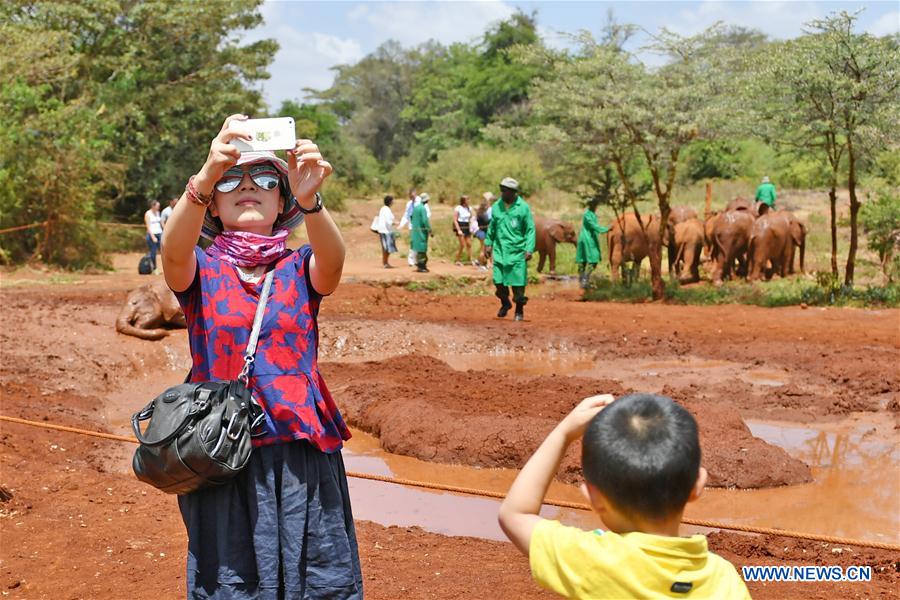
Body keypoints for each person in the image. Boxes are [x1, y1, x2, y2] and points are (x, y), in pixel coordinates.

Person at [160, 114, 362, 599]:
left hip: (298, 455)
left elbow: (333, 264)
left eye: (265, 178)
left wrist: (313, 201)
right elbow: (171, 252)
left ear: (281, 199)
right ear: (214, 203)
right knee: (232, 583)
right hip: (222, 455)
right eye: (232, 178)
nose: (248, 186)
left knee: (313, 578)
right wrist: (205, 175)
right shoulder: (199, 269)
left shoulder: (300, 267)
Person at [499, 393, 751, 599]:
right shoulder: (725, 581)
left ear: (594, 498)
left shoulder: (593, 560)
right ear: (697, 485)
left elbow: (515, 514)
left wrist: (563, 434)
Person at [484, 177, 535, 321]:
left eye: (505, 191)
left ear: (513, 192)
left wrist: (529, 249)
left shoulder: (523, 208)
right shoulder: (496, 207)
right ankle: (505, 302)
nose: (502, 193)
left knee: (518, 285)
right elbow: (492, 227)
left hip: (517, 252)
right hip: (500, 251)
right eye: (501, 190)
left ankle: (519, 311)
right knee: (498, 281)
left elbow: (530, 229)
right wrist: (488, 243)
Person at [575, 198, 610, 289]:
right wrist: (605, 229)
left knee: (584, 259)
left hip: (588, 236)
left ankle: (582, 280)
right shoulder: (588, 214)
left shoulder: (591, 214)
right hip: (587, 238)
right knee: (592, 259)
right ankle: (584, 280)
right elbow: (593, 225)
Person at [410, 192, 431, 272]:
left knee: (418, 248)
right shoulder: (422, 208)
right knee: (422, 248)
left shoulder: (416, 208)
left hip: (416, 232)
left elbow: (411, 217)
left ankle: (421, 265)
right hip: (422, 232)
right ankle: (421, 266)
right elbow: (425, 221)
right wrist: (429, 230)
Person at [472, 192, 494, 270]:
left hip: (480, 231)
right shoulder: (488, 212)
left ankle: (482, 262)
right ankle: (485, 263)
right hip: (485, 232)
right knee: (485, 249)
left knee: (484, 248)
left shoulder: (479, 212)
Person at [375, 194, 397, 268]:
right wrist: (395, 223)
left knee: (385, 247)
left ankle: (385, 262)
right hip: (386, 231)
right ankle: (385, 262)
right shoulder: (387, 210)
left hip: (382, 230)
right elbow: (388, 221)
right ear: (390, 202)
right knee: (387, 248)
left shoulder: (383, 208)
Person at [398, 188, 419, 266]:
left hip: (419, 225)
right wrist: (401, 225)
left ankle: (416, 259)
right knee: (413, 242)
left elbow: (426, 213)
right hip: (412, 225)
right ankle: (411, 260)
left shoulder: (420, 202)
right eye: (410, 196)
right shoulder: (409, 204)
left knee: (418, 243)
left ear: (415, 194)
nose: (411, 197)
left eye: (412, 195)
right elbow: (406, 215)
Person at [453, 195, 474, 266]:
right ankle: (457, 259)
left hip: (467, 225)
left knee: (469, 244)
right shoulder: (458, 208)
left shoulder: (469, 208)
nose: (468, 201)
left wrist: (471, 227)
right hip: (460, 225)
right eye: (467, 200)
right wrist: (458, 230)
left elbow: (471, 217)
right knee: (462, 244)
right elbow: (455, 220)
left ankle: (470, 259)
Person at [144, 200, 163, 273]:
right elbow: (148, 227)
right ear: (153, 206)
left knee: (163, 251)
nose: (159, 207)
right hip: (152, 235)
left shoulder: (158, 213)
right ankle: (154, 268)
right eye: (157, 206)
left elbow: (161, 224)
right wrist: (153, 237)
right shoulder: (148, 214)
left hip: (159, 233)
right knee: (153, 252)